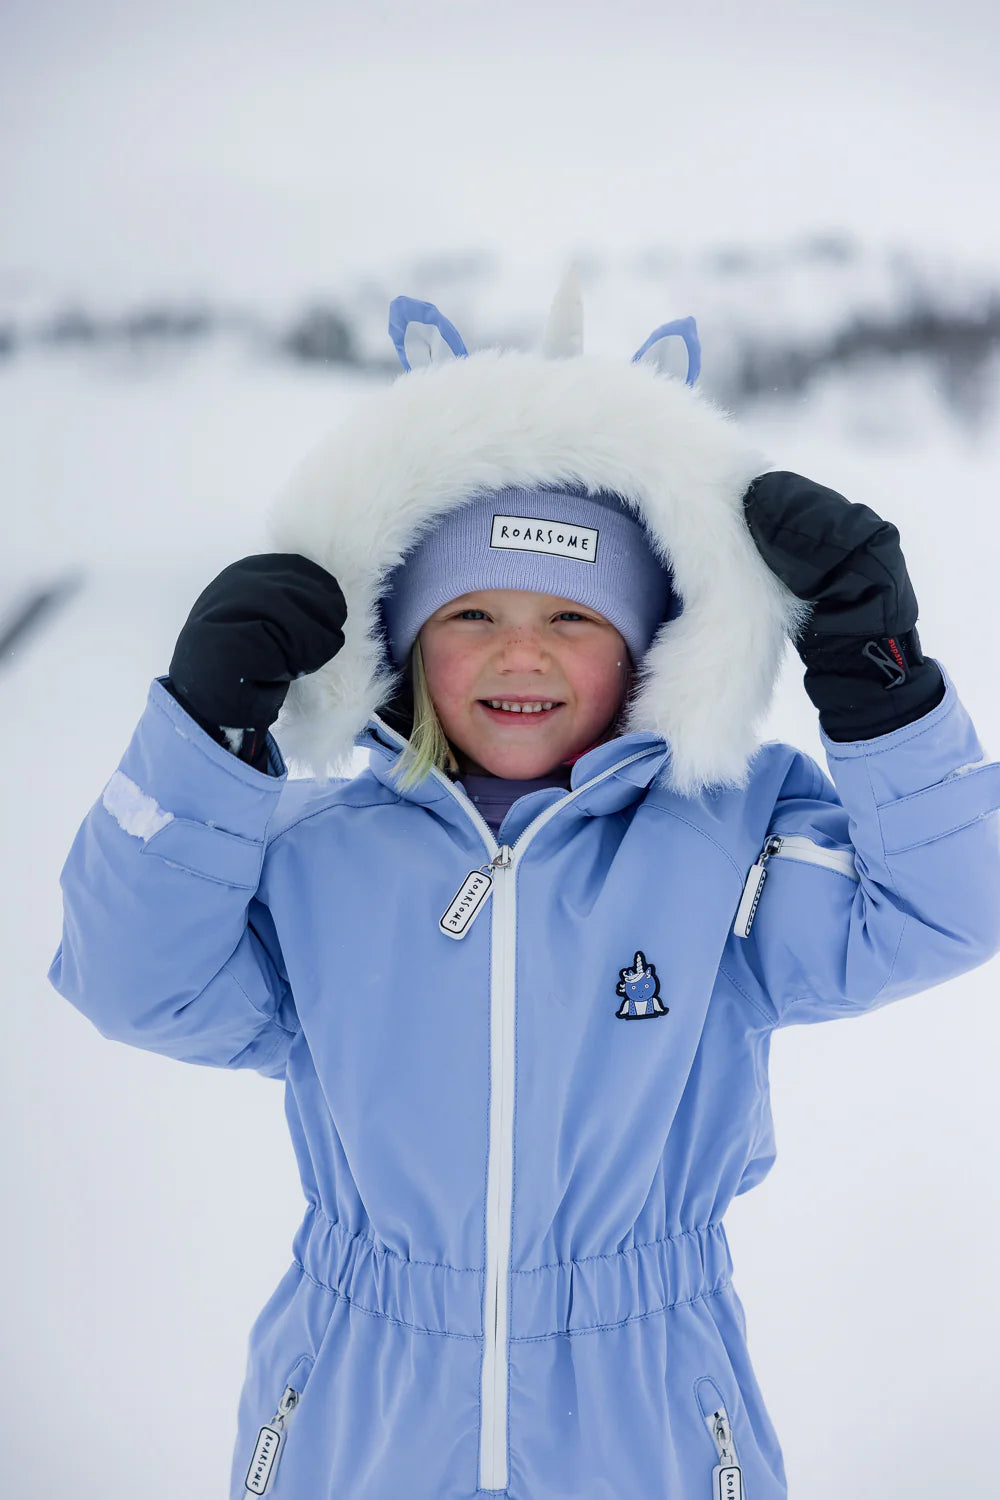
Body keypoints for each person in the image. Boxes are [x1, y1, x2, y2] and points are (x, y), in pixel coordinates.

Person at [48, 277, 1000, 1499]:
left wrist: (886, 694)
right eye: (471, 612)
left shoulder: (722, 838)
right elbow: (134, 978)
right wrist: (201, 738)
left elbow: (943, 908)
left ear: (651, 647)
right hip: (361, 1408)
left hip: (645, 1411)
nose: (520, 652)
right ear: (403, 640)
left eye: (571, 617)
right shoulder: (317, 853)